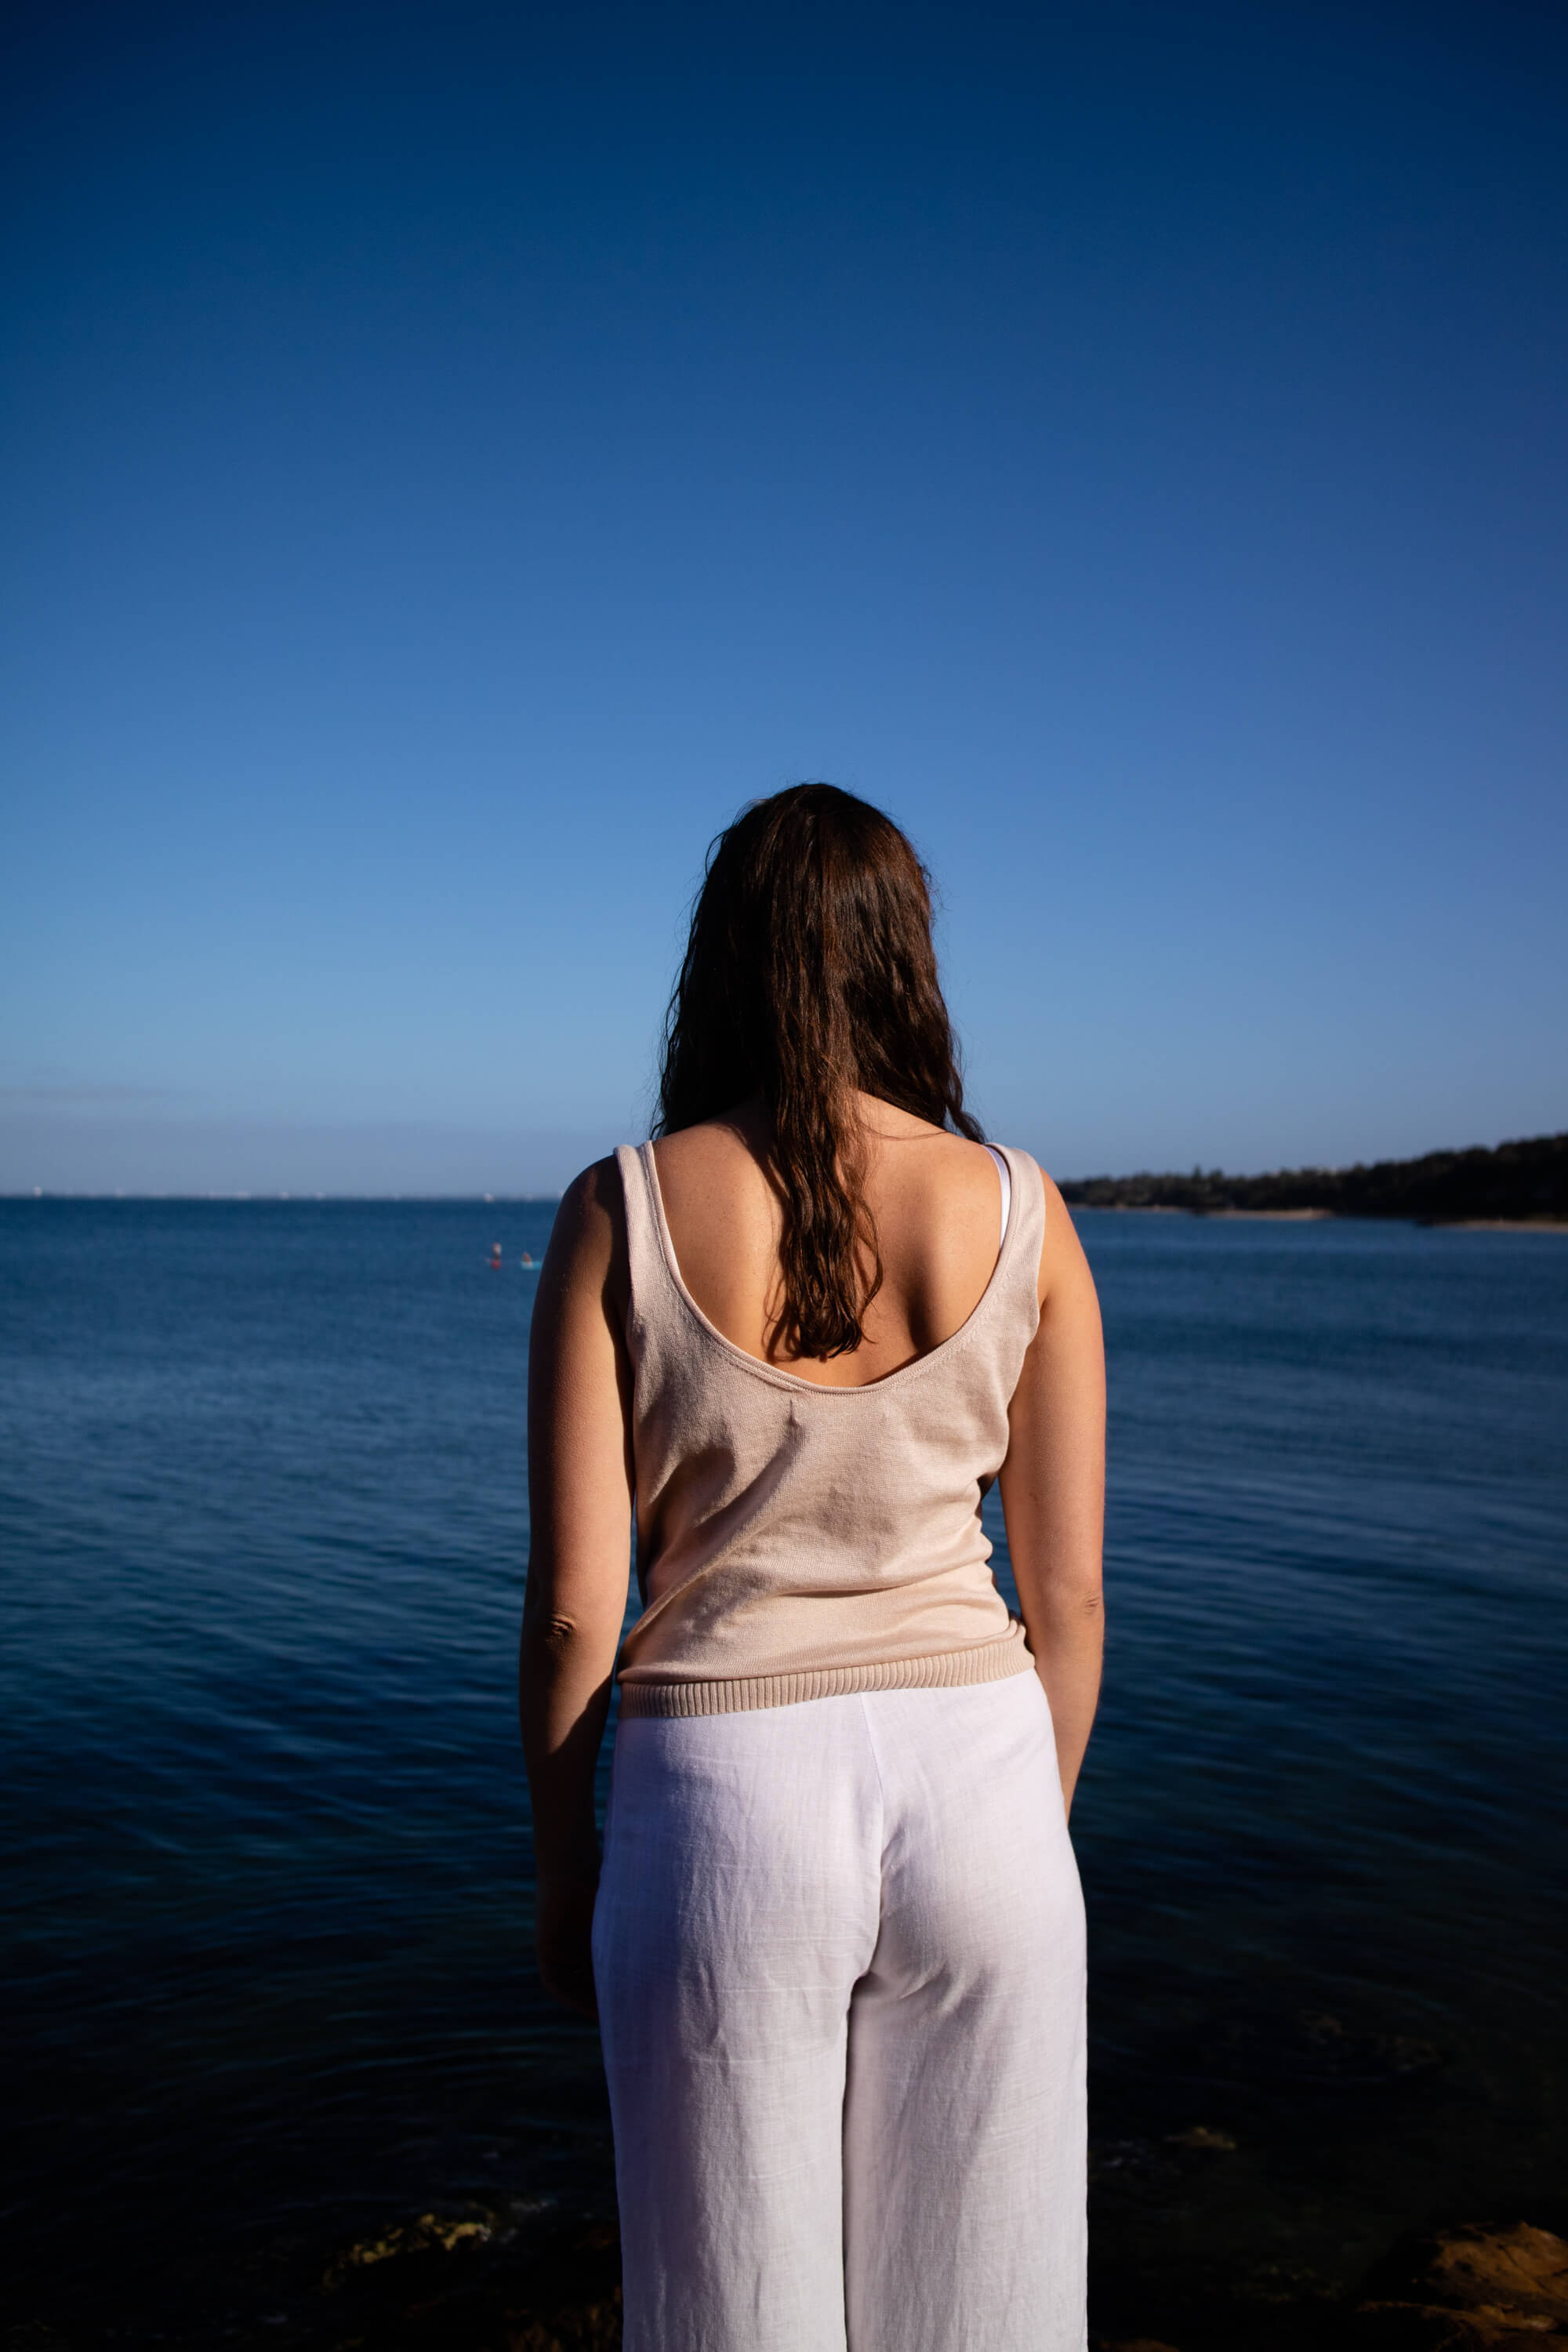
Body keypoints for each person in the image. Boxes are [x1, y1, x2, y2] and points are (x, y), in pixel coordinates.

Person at [519, 783, 1105, 2352]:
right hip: (981, 1773)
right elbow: (1071, 1602)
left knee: (733, 2311)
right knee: (983, 2312)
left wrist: (565, 1870)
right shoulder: (1024, 1213)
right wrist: (1010, 1831)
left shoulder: (621, 1208)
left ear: (723, 960)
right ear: (903, 955)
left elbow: (582, 1607)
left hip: (722, 1803)